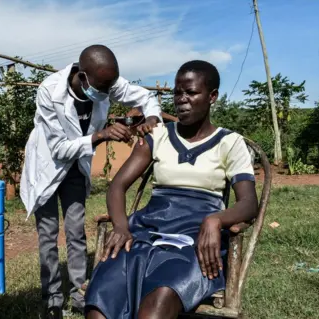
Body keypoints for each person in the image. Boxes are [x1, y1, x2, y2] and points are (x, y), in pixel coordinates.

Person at [84, 60, 258, 319]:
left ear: (212, 97)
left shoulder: (229, 143)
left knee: (156, 306)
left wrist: (215, 220)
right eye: (177, 92)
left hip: (194, 239)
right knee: (101, 302)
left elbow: (249, 203)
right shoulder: (158, 136)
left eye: (191, 92)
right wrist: (121, 228)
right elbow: (117, 187)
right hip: (147, 230)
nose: (182, 100)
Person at [19, 44, 163, 318]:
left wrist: (152, 117)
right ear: (83, 77)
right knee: (48, 235)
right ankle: (51, 300)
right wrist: (102, 135)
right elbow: (59, 148)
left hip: (75, 167)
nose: (107, 94)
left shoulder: (106, 82)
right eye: (101, 88)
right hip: (47, 167)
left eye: (110, 88)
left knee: (76, 231)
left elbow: (145, 97)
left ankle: (78, 293)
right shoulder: (50, 91)